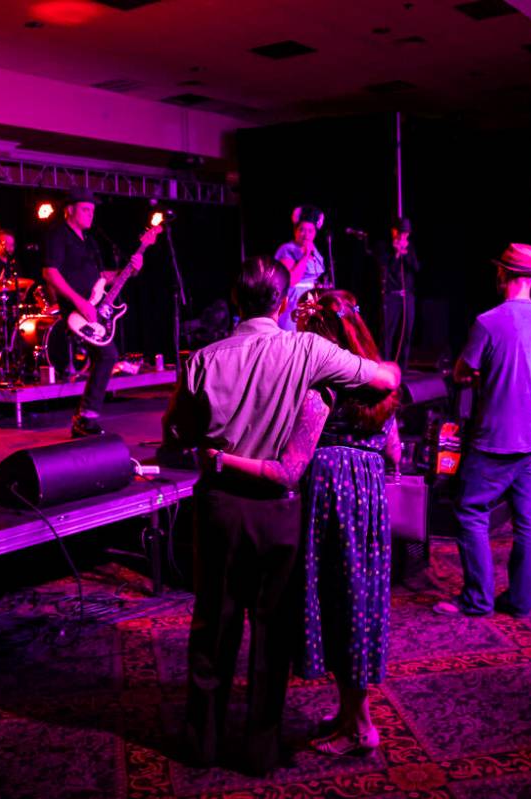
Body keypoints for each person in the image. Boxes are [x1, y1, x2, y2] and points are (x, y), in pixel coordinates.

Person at [162, 258, 400, 775]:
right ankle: (261, 751)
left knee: (213, 629)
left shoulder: (202, 359)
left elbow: (175, 432)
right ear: (285, 299)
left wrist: (214, 442)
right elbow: (382, 377)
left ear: (234, 297)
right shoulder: (309, 350)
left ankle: (202, 742)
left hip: (222, 506)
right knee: (272, 633)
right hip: (280, 514)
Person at [434, 243, 531, 618]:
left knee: (470, 510)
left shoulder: (488, 321)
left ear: (502, 274)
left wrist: (483, 374)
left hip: (497, 436)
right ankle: (520, 601)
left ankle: (477, 599)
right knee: (527, 516)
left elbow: (460, 373)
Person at [41, 189, 140, 438]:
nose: (90, 214)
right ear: (70, 210)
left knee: (105, 357)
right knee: (107, 355)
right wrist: (78, 302)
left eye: (93, 210)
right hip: (77, 310)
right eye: (86, 209)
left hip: (93, 308)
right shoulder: (58, 235)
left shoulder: (90, 241)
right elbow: (50, 273)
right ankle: (85, 417)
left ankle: (86, 418)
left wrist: (129, 270)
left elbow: (101, 278)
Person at [275, 205, 327, 331]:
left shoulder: (315, 250)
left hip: (312, 301)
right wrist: (305, 255)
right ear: (295, 231)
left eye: (310, 231)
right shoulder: (288, 249)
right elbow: (292, 280)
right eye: (302, 230)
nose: (306, 235)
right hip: (294, 301)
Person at [376, 218, 420, 368]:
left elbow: (416, 268)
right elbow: (386, 267)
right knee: (388, 333)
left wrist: (405, 253)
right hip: (391, 296)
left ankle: (403, 366)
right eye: (400, 232)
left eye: (405, 233)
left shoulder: (411, 248)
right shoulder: (384, 247)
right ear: (394, 231)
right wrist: (396, 253)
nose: (402, 236)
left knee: (406, 332)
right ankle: (386, 365)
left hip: (407, 296)